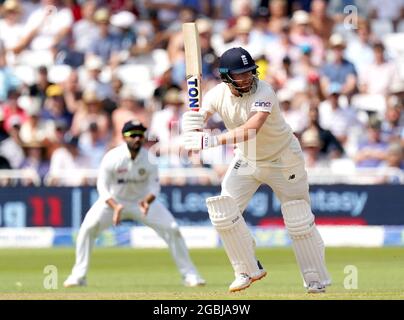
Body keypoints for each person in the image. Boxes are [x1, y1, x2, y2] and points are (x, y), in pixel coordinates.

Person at [181, 47, 331, 293]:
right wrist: (192, 124)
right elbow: (201, 116)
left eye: (250, 72)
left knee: (298, 219)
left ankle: (315, 279)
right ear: (227, 77)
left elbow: (251, 128)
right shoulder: (216, 94)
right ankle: (246, 269)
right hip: (248, 160)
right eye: (240, 74)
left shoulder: (265, 91)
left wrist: (210, 141)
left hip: (283, 160)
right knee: (222, 211)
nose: (247, 78)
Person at [64, 119, 205, 288]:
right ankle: (78, 275)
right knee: (87, 229)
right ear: (124, 137)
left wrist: (147, 201)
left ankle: (190, 275)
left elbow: (154, 186)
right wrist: (115, 206)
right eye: (133, 135)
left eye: (140, 135)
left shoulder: (149, 159)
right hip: (113, 202)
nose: (137, 138)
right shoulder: (112, 157)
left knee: (172, 229)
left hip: (141, 203)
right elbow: (102, 186)